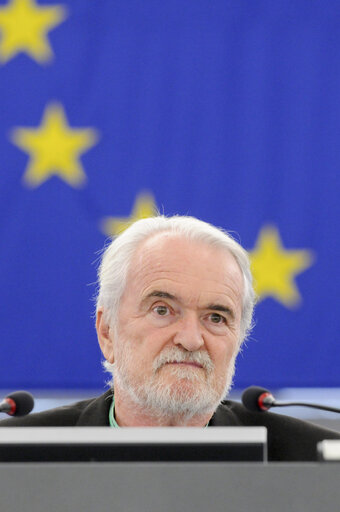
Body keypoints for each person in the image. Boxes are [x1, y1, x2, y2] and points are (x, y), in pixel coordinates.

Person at [1, 215, 339, 460]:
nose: (191, 339)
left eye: (216, 317)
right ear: (107, 332)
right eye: (162, 310)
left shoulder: (313, 461)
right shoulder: (16, 457)